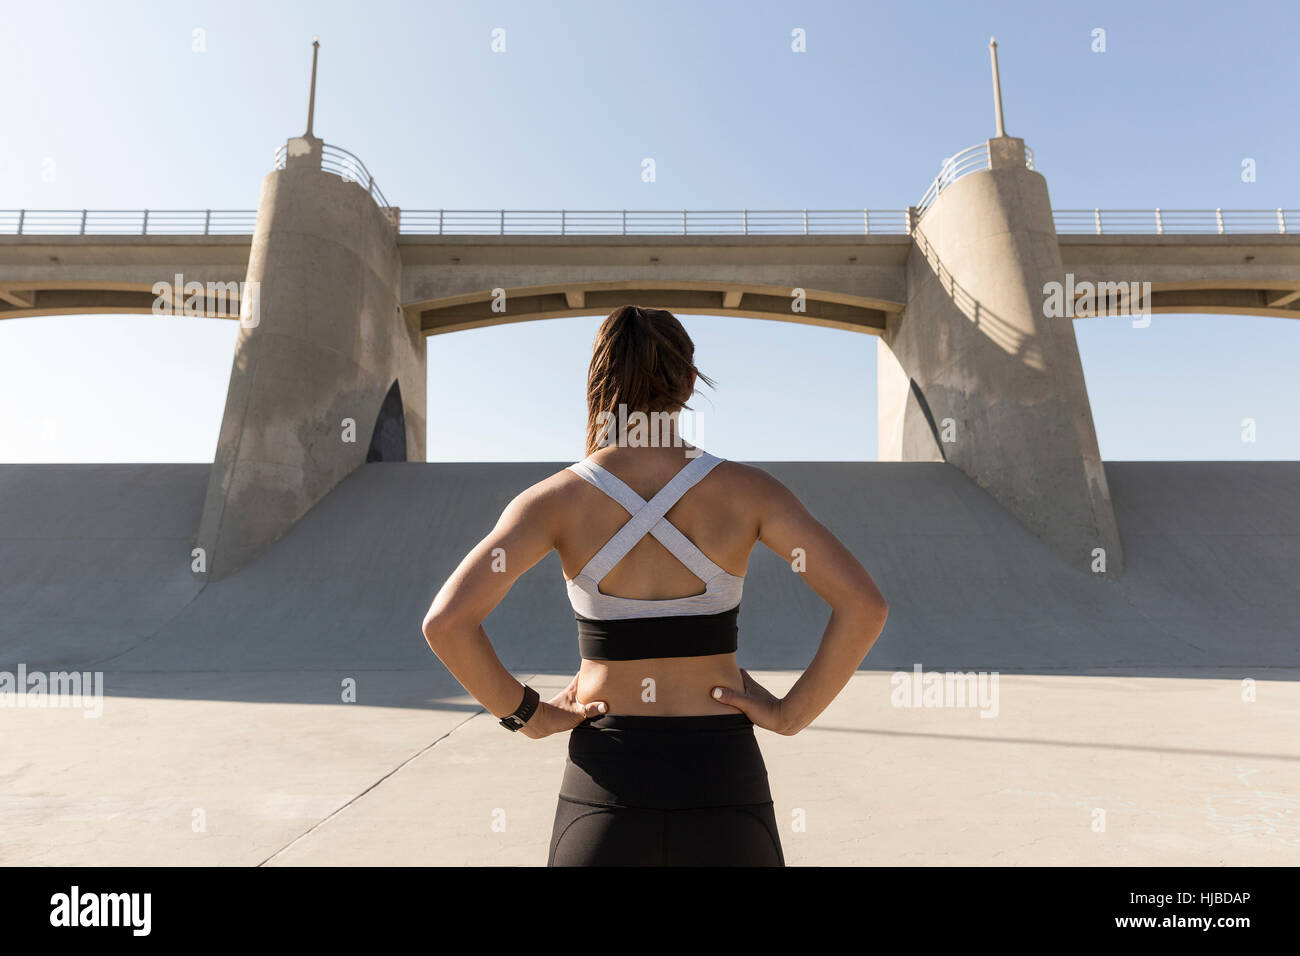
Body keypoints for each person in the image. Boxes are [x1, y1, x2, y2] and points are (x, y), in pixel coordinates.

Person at [421, 304, 889, 866]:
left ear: (598, 379)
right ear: (690, 382)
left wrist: (529, 716)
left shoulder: (553, 502)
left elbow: (447, 623)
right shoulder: (752, 493)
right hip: (723, 783)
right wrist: (791, 715)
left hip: (606, 784)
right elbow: (864, 606)